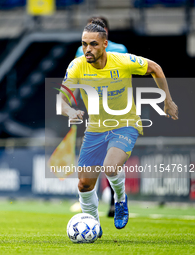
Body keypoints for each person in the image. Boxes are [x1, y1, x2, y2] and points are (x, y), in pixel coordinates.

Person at [60, 19, 178, 237]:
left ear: (105, 44)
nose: (87, 49)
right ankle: (93, 225)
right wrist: (70, 111)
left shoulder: (122, 60)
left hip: (125, 124)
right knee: (84, 185)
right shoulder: (77, 65)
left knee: (110, 166)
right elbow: (62, 100)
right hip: (95, 128)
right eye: (84, 44)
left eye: (93, 44)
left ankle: (120, 199)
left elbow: (155, 68)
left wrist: (167, 101)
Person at [76, 16, 128, 218]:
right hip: (94, 115)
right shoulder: (80, 52)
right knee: (94, 164)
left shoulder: (120, 51)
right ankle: (94, 202)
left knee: (110, 162)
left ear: (105, 33)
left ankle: (117, 199)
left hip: (116, 115)